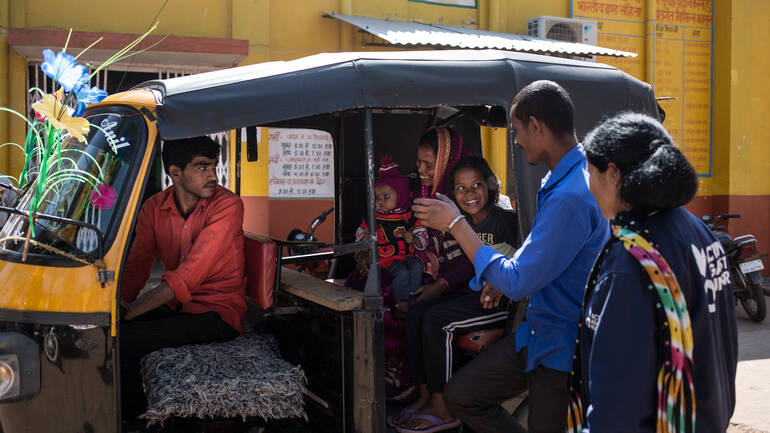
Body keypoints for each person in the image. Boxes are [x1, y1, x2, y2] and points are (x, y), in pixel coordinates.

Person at [413, 80, 609, 433]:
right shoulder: (562, 180)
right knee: (463, 395)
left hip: (561, 346)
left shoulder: (571, 195)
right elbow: (532, 261)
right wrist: (499, 278)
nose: (515, 140)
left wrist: (457, 225)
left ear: (536, 126)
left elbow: (519, 280)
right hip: (535, 333)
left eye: (517, 130)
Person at [566, 113, 737, 433]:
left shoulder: (633, 262)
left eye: (589, 173)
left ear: (614, 174)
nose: (588, 187)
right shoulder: (699, 232)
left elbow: (617, 399)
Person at [118, 136, 247, 419]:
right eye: (202, 167)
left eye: (214, 166)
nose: (212, 175)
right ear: (175, 172)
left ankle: (136, 421)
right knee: (108, 333)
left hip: (218, 315)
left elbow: (190, 274)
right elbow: (136, 269)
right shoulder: (153, 208)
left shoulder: (228, 206)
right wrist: (116, 306)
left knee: (123, 340)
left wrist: (133, 309)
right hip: (179, 310)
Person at [394, 156, 521, 433]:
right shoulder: (457, 222)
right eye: (461, 189)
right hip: (469, 295)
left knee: (438, 320)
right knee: (417, 312)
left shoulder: (506, 222)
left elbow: (519, 262)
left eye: (476, 185)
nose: (470, 193)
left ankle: (444, 405)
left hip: (498, 301)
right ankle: (426, 394)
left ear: (489, 186)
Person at [354, 155, 427, 303]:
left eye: (386, 196)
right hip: (385, 258)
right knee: (402, 272)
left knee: (418, 266)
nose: (380, 201)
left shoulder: (410, 215)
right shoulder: (372, 217)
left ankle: (412, 296)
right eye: (377, 197)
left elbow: (421, 233)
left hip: (407, 255)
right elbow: (360, 232)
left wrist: (414, 238)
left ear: (400, 195)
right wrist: (365, 236)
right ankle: (401, 301)